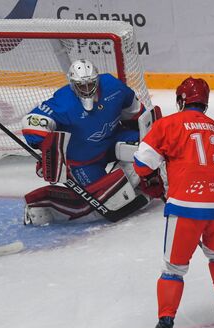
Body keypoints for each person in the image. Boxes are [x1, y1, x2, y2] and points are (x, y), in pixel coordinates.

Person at [133, 77, 214, 328]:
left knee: (174, 269)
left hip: (188, 202)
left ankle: (165, 326)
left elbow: (142, 163)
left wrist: (152, 175)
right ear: (205, 102)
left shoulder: (168, 124)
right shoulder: (213, 125)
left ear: (180, 100)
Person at [21, 59, 158, 225]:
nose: (86, 89)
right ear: (72, 84)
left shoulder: (113, 87)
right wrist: (48, 152)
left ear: (97, 79)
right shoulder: (64, 102)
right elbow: (32, 121)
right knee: (100, 203)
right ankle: (40, 204)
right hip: (82, 161)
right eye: (81, 85)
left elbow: (135, 112)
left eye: (90, 84)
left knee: (148, 146)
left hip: (111, 142)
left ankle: (146, 180)